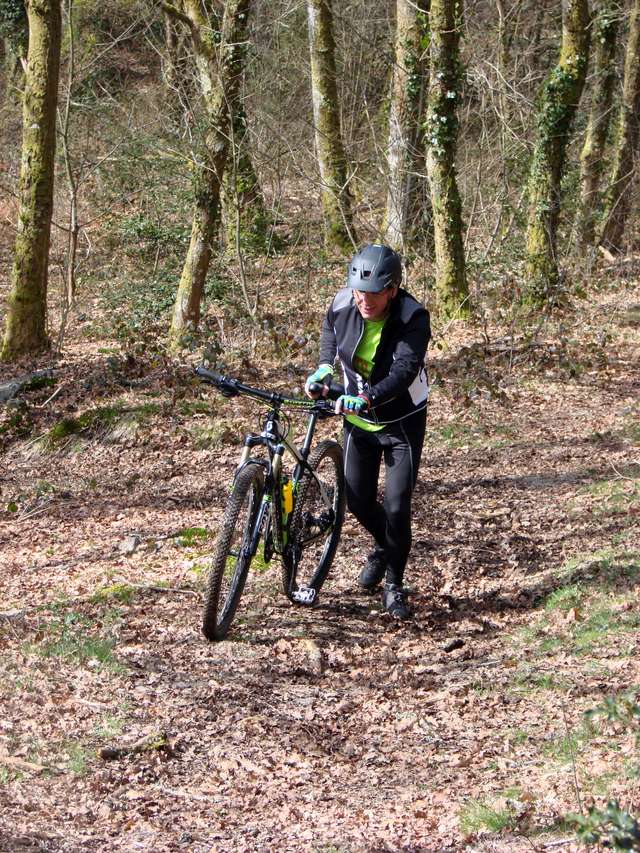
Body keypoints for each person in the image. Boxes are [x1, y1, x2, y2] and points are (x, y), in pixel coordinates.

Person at [305, 243, 430, 620]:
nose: (364, 300)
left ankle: (394, 583)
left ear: (392, 290)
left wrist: (367, 397)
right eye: (360, 292)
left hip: (400, 422)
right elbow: (330, 330)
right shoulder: (344, 302)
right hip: (358, 423)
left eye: (374, 293)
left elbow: (404, 371)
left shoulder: (412, 317)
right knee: (357, 501)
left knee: (396, 507)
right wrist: (324, 367)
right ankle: (384, 546)